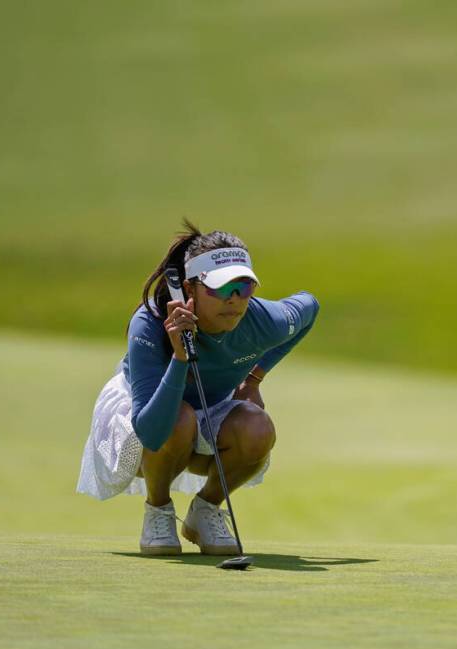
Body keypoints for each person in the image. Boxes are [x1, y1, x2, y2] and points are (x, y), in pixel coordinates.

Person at [77, 220, 320, 555]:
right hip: (144, 413)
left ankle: (205, 510)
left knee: (257, 427)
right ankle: (158, 510)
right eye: (221, 289)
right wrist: (179, 356)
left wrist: (254, 379)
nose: (234, 300)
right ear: (189, 289)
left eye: (244, 287)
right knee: (179, 419)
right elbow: (150, 432)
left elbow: (309, 306)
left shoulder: (265, 320)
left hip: (210, 407)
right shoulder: (150, 325)